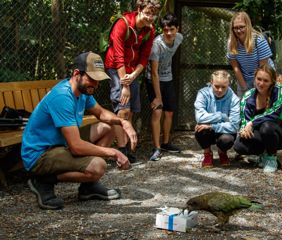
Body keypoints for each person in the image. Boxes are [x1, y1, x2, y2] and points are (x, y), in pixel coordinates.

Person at [22, 52, 138, 210]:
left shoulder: (83, 91)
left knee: (108, 128)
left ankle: (88, 188)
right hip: (40, 154)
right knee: (98, 166)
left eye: (98, 80)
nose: (96, 85)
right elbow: (76, 146)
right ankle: (43, 180)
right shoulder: (62, 96)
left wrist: (123, 122)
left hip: (60, 143)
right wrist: (114, 152)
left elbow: (102, 113)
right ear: (77, 73)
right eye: (92, 79)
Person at [104, 0, 161, 162]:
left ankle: (128, 148)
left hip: (132, 71)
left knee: (131, 111)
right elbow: (118, 55)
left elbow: (144, 58)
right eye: (148, 13)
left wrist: (134, 75)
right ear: (139, 10)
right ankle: (121, 150)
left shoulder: (150, 30)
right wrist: (125, 84)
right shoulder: (122, 24)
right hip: (116, 68)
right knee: (122, 109)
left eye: (154, 15)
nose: (150, 17)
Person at [233, 63, 282, 173]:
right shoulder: (248, 95)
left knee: (266, 126)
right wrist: (244, 129)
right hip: (259, 134)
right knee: (239, 145)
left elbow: (275, 113)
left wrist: (252, 123)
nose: (261, 83)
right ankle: (262, 154)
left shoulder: (279, 91)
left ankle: (271, 157)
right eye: (259, 79)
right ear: (255, 78)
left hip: (279, 134)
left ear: (272, 82)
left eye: (266, 81)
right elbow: (244, 118)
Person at [145, 13, 183, 161]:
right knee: (157, 113)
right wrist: (158, 97)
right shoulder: (156, 45)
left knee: (169, 113)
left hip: (168, 78)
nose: (168, 33)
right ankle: (157, 148)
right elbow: (154, 72)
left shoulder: (179, 38)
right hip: (153, 79)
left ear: (177, 29)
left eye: (171, 29)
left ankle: (166, 143)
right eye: (165, 30)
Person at [194, 70, 240, 168]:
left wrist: (211, 125)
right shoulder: (203, 93)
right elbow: (200, 117)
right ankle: (207, 153)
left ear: (229, 84)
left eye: (223, 87)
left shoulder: (234, 99)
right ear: (211, 83)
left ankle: (222, 152)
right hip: (210, 129)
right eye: (216, 86)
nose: (220, 90)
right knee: (200, 129)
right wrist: (222, 116)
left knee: (227, 140)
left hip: (223, 132)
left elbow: (234, 126)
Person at [227, 11, 274, 97]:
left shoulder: (258, 40)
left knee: (263, 105)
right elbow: (235, 67)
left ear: (248, 26)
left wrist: (257, 87)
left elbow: (263, 67)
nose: (238, 30)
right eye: (235, 28)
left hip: (263, 77)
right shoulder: (231, 43)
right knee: (244, 104)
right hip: (244, 77)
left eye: (241, 27)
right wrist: (244, 87)